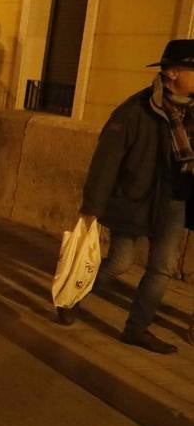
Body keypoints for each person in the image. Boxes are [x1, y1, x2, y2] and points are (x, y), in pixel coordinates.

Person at [58, 39, 194, 354]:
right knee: (120, 262)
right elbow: (106, 162)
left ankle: (136, 330)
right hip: (135, 199)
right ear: (172, 73)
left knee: (161, 268)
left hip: (175, 200)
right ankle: (72, 297)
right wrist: (92, 207)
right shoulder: (135, 111)